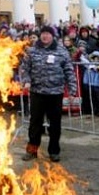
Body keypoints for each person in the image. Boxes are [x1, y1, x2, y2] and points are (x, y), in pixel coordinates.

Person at [19, 25, 78, 162]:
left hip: (55, 93)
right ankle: (32, 150)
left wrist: (72, 90)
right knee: (35, 123)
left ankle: (54, 151)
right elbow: (24, 69)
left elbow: (69, 71)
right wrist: (26, 81)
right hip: (37, 92)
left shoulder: (61, 51)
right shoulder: (32, 51)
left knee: (55, 124)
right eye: (43, 33)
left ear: (53, 36)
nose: (45, 36)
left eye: (48, 34)